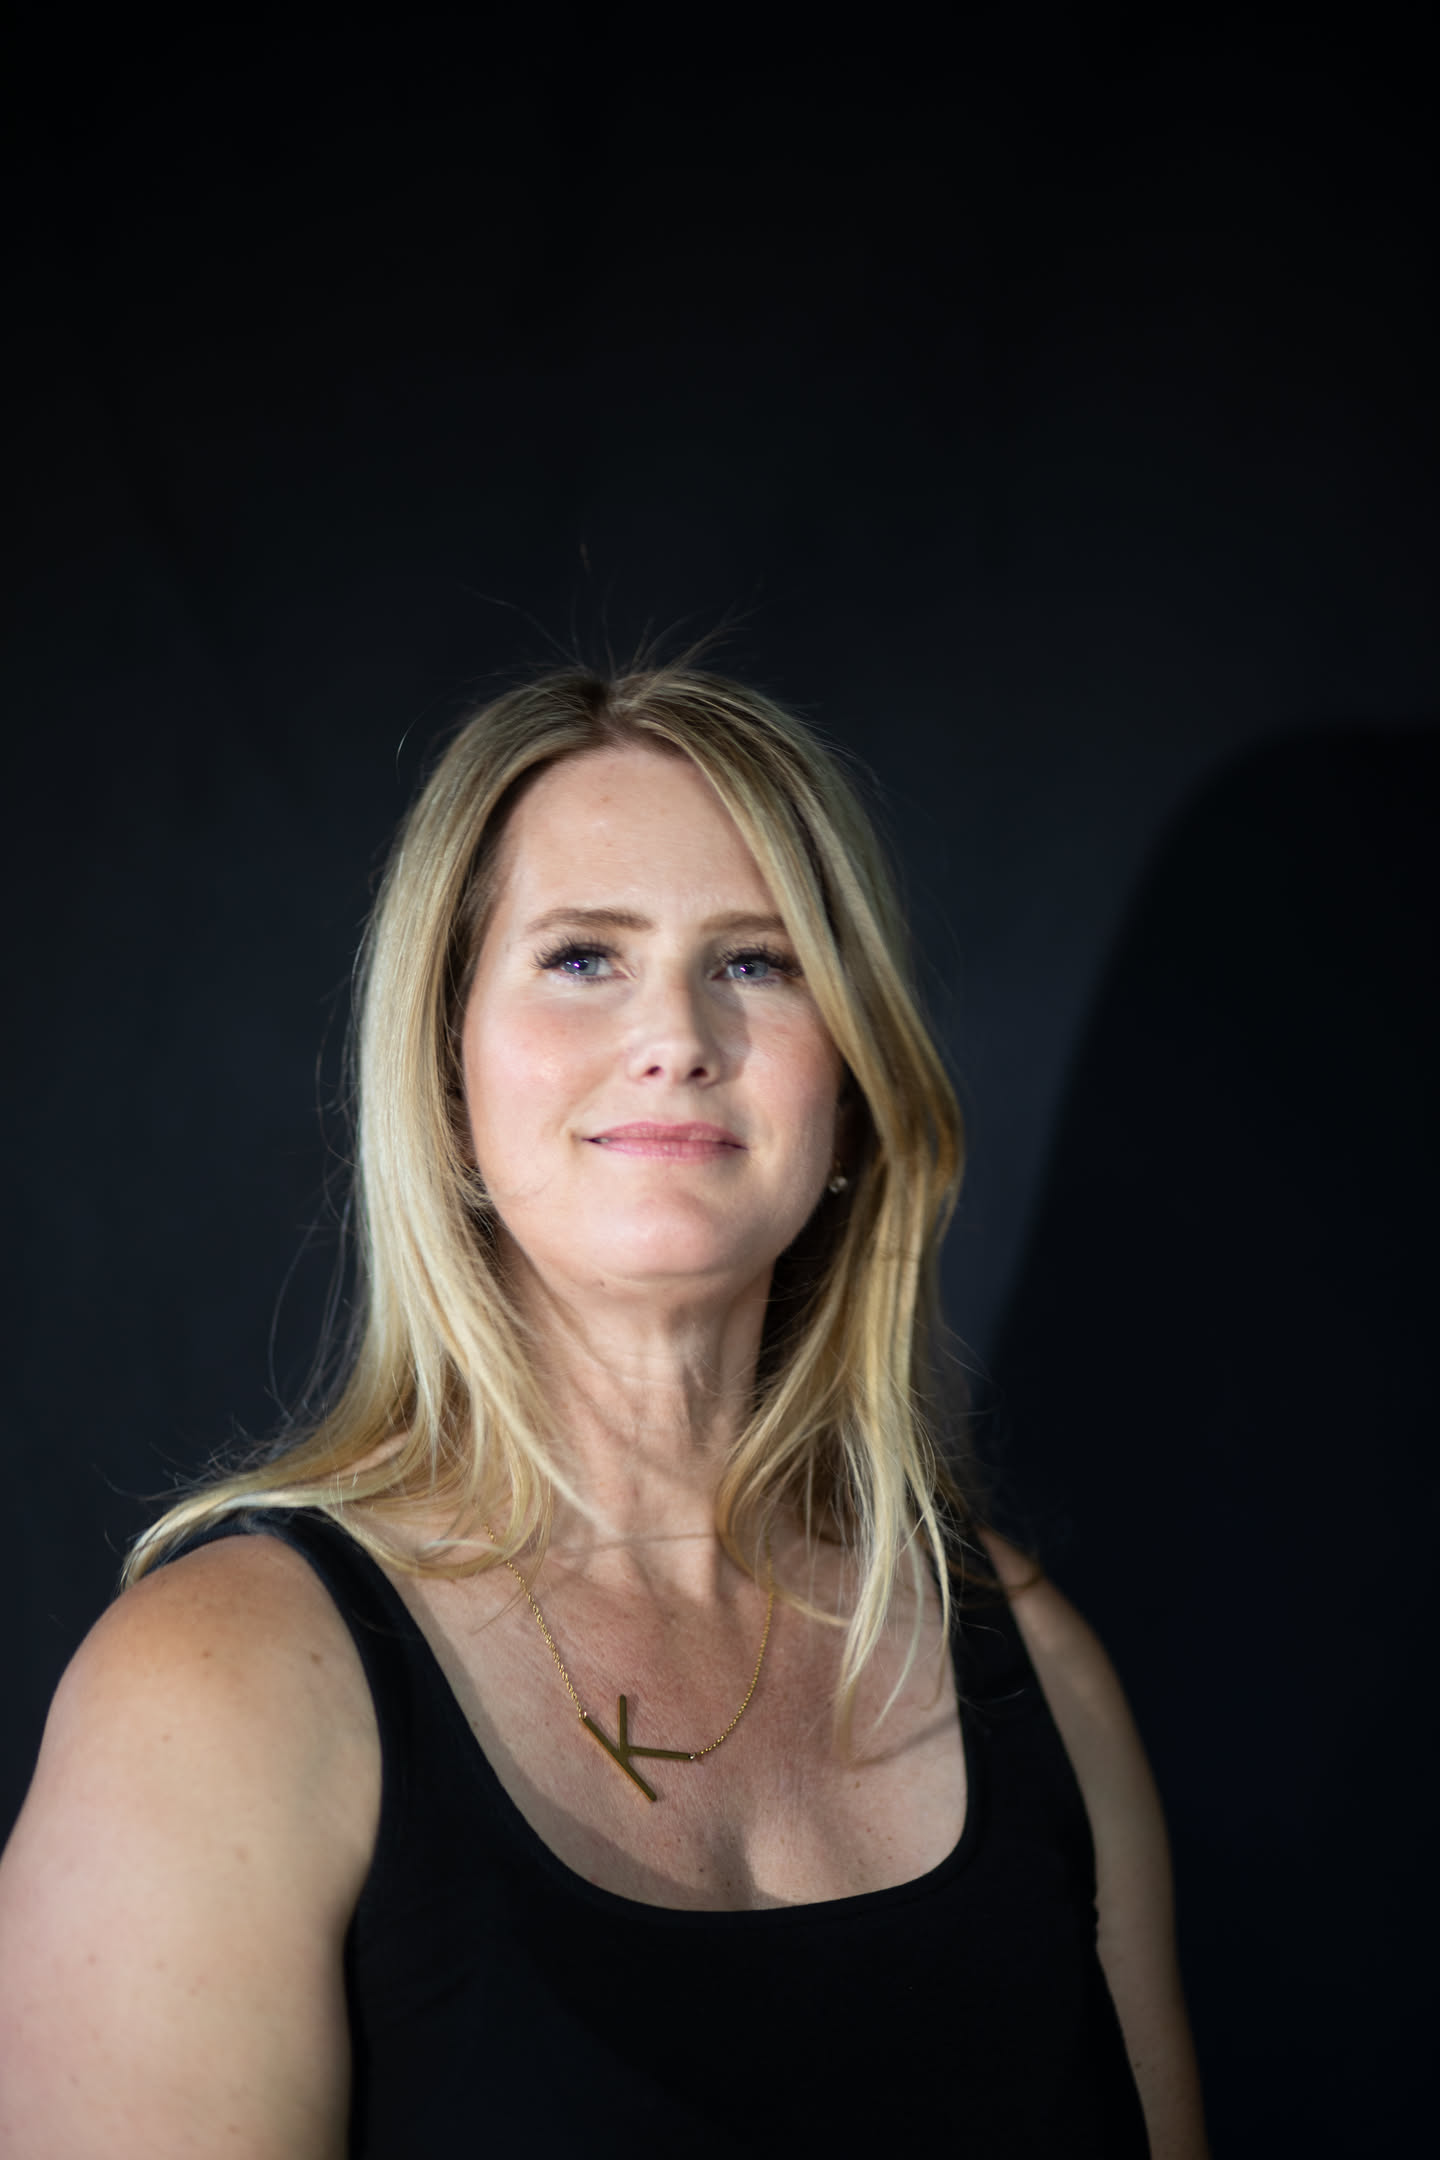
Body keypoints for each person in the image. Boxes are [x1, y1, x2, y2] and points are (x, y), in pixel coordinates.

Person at [0, 666, 1208, 2157]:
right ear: (447, 1078)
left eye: (757, 961)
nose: (677, 1035)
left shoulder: (1035, 1671)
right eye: (582, 956)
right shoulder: (216, 1690)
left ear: (847, 1086)